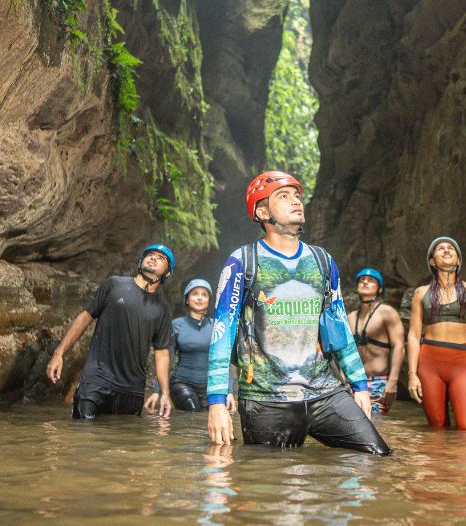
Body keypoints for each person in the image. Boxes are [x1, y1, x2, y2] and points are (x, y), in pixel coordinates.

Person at [205, 170, 390, 455]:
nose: (296, 201)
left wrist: (359, 385)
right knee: (273, 483)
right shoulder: (242, 262)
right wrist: (217, 401)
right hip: (266, 400)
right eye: (283, 196)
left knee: (378, 457)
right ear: (262, 211)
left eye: (297, 196)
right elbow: (222, 331)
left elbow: (338, 324)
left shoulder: (322, 261)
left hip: (325, 392)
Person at [47, 244, 176, 419]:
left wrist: (165, 393)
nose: (153, 258)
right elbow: (85, 318)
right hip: (96, 381)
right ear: (140, 261)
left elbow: (161, 353)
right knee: (81, 437)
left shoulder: (162, 309)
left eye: (161, 258)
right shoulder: (114, 284)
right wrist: (59, 352)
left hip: (132, 390)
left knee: (122, 442)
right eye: (150, 255)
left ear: (167, 273)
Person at [406, 237, 466, 431]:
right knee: (437, 428)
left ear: (458, 260)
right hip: (429, 362)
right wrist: (412, 374)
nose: (446, 251)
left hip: (462, 361)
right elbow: (414, 336)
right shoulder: (420, 293)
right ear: (432, 261)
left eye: (451, 249)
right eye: (440, 249)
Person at [145, 279, 237, 413]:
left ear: (209, 301)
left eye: (204, 294)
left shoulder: (217, 327)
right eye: (195, 293)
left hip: (210, 387)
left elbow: (223, 361)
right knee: (193, 412)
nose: (199, 298)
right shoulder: (176, 325)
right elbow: (167, 358)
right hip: (182, 384)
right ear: (187, 300)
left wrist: (229, 392)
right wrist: (157, 391)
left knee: (208, 420)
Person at [346, 267, 405, 416]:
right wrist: (343, 381)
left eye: (371, 280)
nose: (365, 282)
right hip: (353, 383)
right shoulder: (350, 317)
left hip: (378, 381)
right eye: (361, 280)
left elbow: (399, 346)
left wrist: (393, 381)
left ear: (379, 289)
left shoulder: (387, 312)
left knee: (378, 426)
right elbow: (346, 352)